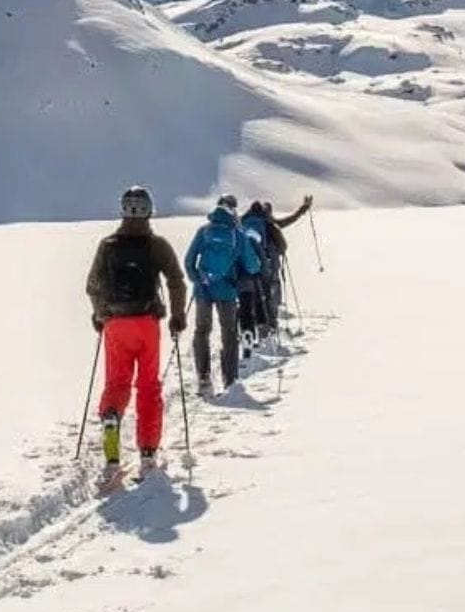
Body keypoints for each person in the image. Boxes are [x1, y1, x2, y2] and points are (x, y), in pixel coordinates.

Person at [84, 184, 187, 483]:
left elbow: (93, 286)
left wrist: (101, 313)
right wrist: (178, 315)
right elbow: (176, 280)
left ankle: (112, 425)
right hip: (146, 324)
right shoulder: (157, 245)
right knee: (148, 386)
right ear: (150, 210)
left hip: (116, 324)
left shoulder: (108, 245)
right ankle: (147, 452)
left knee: (117, 382)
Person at [183, 194, 260, 397]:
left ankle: (204, 378)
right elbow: (253, 266)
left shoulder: (204, 231)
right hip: (227, 290)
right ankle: (230, 378)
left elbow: (188, 261)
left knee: (202, 330)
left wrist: (198, 278)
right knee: (228, 333)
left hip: (203, 290)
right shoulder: (238, 235)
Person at [240, 195, 314, 336]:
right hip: (266, 267)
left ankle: (249, 329)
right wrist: (304, 208)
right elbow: (287, 226)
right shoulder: (269, 223)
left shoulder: (242, 223)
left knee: (249, 296)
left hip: (244, 267)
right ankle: (270, 326)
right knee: (267, 296)